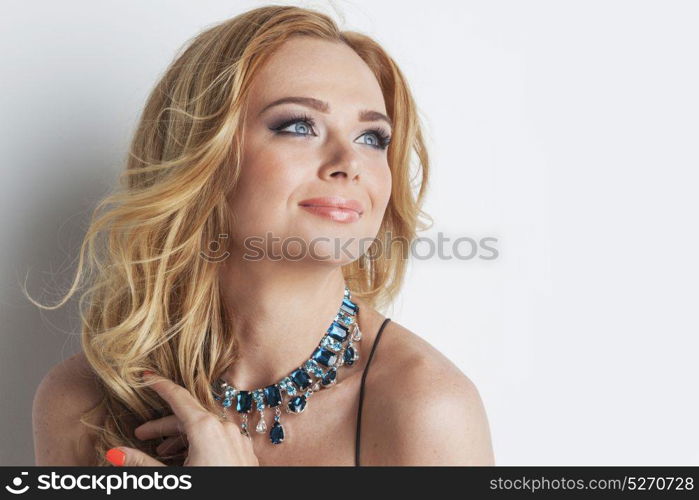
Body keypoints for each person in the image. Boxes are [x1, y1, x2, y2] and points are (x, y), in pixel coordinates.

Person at [30, 5, 494, 466]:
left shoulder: (428, 408)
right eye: (298, 126)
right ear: (203, 155)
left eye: (372, 137)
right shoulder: (83, 402)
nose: (349, 163)